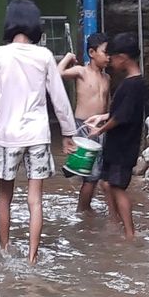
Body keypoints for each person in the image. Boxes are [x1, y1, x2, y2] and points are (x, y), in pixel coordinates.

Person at [0, 0, 77, 264]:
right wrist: (68, 133)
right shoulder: (43, 56)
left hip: (7, 135)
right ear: (35, 25)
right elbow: (59, 98)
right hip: (37, 135)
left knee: (4, 197)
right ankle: (32, 258)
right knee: (35, 200)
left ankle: (5, 250)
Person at [85, 32, 146, 240]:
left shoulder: (133, 85)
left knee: (118, 188)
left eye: (113, 57)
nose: (110, 62)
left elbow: (121, 117)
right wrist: (101, 117)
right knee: (106, 184)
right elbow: (118, 112)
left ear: (123, 57)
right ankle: (115, 222)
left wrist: (100, 129)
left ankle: (130, 234)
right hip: (117, 144)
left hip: (123, 146)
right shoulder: (131, 82)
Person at [58, 32, 110, 211]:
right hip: (83, 126)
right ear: (92, 52)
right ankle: (83, 210)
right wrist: (67, 58)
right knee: (91, 175)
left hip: (101, 128)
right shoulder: (81, 71)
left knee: (97, 173)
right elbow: (58, 73)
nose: (108, 57)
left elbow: (107, 104)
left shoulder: (107, 78)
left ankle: (85, 209)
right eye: (105, 52)